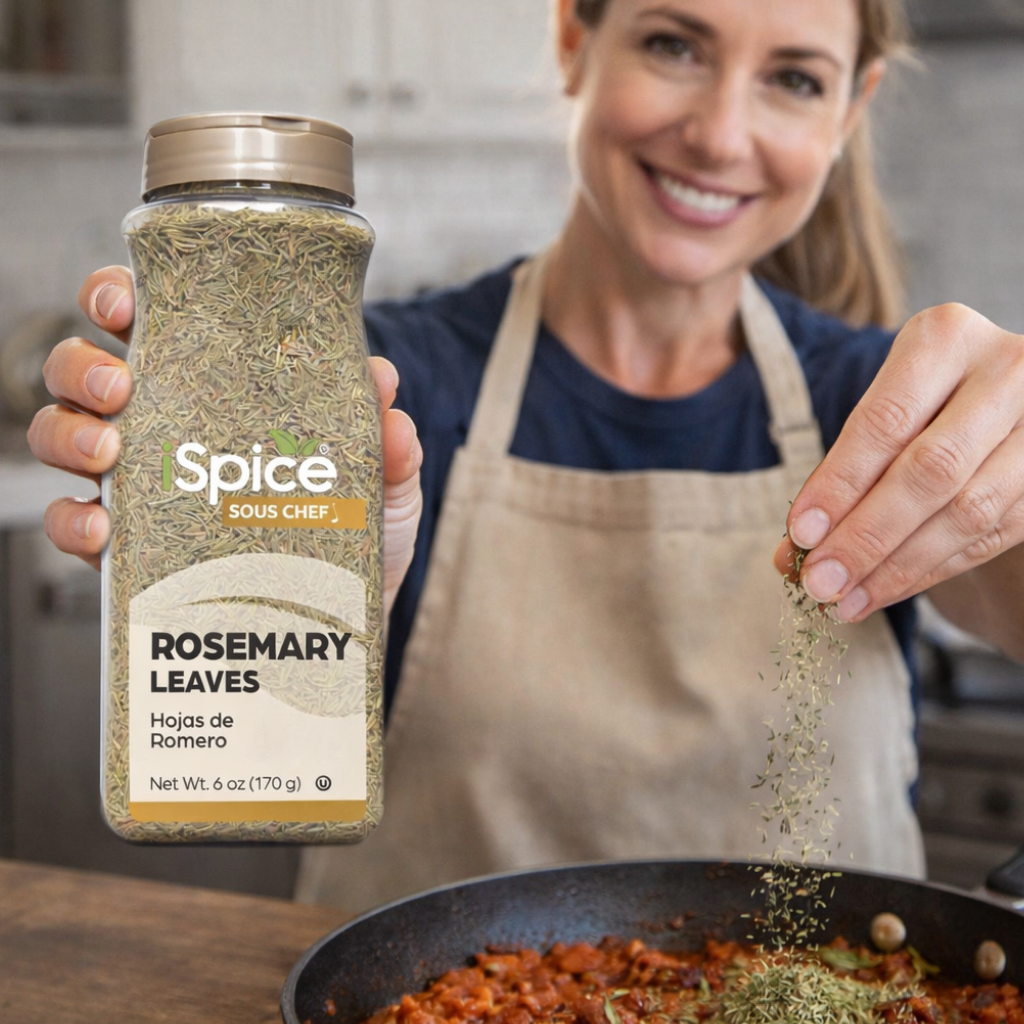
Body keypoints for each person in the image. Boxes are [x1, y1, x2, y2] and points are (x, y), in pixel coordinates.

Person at [29, 0, 1024, 913]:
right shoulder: (369, 383)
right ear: (571, 40)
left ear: (851, 110)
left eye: (794, 78)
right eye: (673, 45)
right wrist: (285, 598)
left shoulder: (883, 411)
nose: (721, 133)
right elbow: (254, 735)